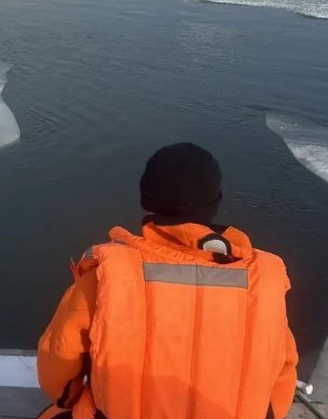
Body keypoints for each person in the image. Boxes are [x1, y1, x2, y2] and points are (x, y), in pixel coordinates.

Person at [37, 142, 298, 419]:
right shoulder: (265, 277)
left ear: (146, 198)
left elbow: (60, 363)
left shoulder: (109, 273)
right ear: (215, 201)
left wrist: (67, 399)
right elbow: (282, 369)